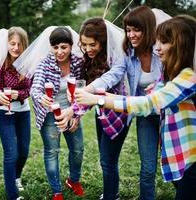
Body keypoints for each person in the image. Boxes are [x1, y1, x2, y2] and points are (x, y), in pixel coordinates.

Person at [75, 15, 196, 200]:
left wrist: (98, 100)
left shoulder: (189, 78)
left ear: (179, 45)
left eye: (163, 42)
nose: (158, 48)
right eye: (158, 42)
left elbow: (149, 103)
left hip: (191, 161)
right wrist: (102, 95)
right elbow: (139, 94)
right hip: (183, 160)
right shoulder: (173, 76)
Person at [27, 27, 84, 200]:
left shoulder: (78, 63)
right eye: (55, 47)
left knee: (78, 149)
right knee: (52, 151)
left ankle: (73, 180)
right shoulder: (45, 64)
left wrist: (77, 114)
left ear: (71, 46)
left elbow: (83, 88)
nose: (59, 52)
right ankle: (57, 191)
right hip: (50, 114)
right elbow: (35, 87)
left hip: (71, 111)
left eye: (64, 47)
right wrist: (41, 96)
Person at [78, 17, 129, 200]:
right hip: (102, 113)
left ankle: (110, 196)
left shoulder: (116, 59)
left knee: (108, 161)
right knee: (106, 159)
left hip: (118, 114)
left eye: (92, 44)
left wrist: (85, 93)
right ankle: (112, 193)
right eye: (84, 44)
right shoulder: (92, 58)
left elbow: (108, 80)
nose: (87, 49)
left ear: (103, 41)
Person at [0, 27, 31, 200]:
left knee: (24, 151)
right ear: (7, 44)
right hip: (4, 113)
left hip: (23, 112)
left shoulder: (28, 63)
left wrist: (18, 94)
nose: (16, 48)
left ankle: (16, 177)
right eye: (12, 43)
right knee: (11, 153)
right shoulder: (0, 62)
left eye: (20, 44)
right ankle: (12, 194)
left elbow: (31, 88)